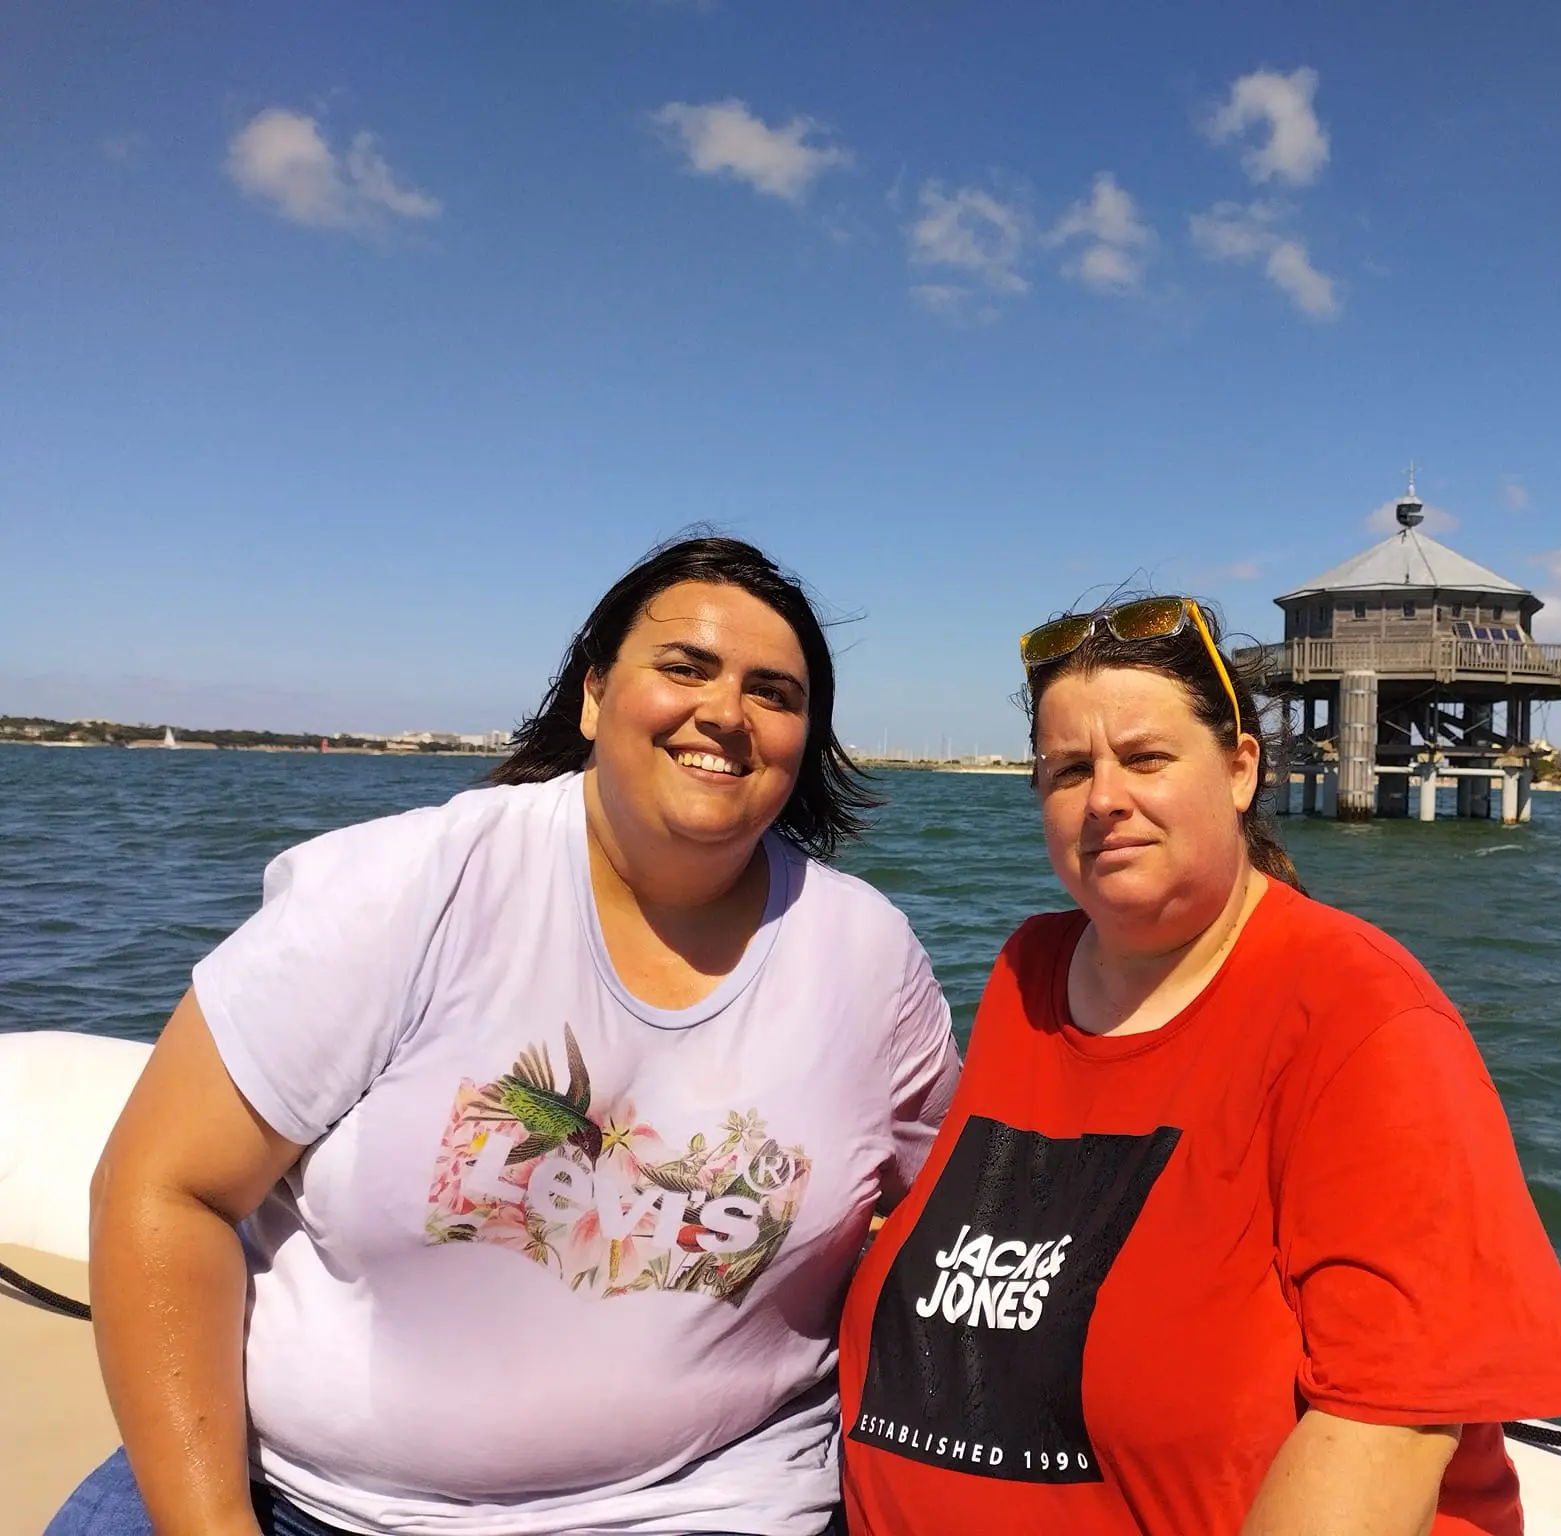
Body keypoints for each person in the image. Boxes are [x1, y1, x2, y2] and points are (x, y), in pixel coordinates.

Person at [54, 536, 960, 1536]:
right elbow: (164, 1187)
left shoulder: (865, 954)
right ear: (592, 696)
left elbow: (954, 1222)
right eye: (683, 667)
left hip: (710, 1500)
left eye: (774, 693)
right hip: (301, 1498)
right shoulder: (412, 886)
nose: (725, 713)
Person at [837, 595, 1561, 1536]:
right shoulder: (1027, 972)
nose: (1106, 798)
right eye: (1069, 769)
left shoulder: (1359, 1013)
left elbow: (1388, 1422)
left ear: (1241, 768)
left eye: (1147, 758)